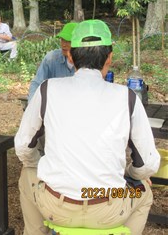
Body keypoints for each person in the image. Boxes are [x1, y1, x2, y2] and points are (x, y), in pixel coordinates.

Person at [15, 19, 160, 235]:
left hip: (56, 206)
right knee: (144, 190)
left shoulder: (47, 90)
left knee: (28, 175)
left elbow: (23, 147)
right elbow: (148, 164)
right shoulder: (127, 98)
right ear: (109, 57)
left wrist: (39, 164)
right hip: (108, 209)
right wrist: (130, 174)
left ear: (71, 57)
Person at [27, 22, 78, 101]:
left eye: (68, 41)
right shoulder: (51, 59)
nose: (64, 44)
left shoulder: (86, 62)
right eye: (62, 40)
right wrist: (32, 104)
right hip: (55, 104)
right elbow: (37, 83)